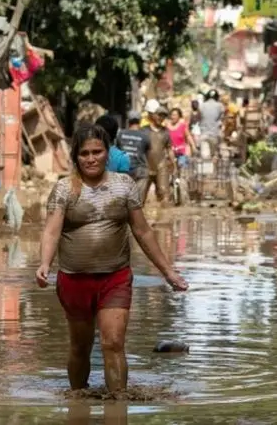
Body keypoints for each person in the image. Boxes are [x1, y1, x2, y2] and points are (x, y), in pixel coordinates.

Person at [35, 124, 188, 394]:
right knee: (80, 346)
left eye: (97, 151)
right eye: (84, 153)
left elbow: (142, 231)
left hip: (114, 278)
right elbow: (51, 230)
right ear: (76, 157)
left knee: (113, 343)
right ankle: (77, 402)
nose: (91, 158)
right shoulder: (63, 189)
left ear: (108, 153)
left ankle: (118, 406)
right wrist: (45, 264)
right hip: (74, 279)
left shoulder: (124, 186)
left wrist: (168, 272)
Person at [141, 106, 176, 206]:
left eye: (164, 116)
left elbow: (169, 149)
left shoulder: (166, 132)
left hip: (161, 165)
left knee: (165, 194)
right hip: (146, 165)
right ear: (153, 116)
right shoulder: (144, 131)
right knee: (140, 196)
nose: (161, 118)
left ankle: (165, 219)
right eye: (159, 115)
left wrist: (174, 164)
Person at [116, 111, 151, 183]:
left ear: (128, 121)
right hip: (139, 172)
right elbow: (148, 154)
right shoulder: (145, 136)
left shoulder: (120, 134)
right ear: (140, 121)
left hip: (123, 171)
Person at [198, 89, 224, 160]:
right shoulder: (220, 106)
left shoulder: (202, 105)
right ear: (217, 97)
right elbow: (221, 119)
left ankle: (207, 170)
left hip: (204, 133)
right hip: (214, 134)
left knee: (205, 157)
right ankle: (214, 170)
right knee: (214, 155)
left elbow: (199, 117)